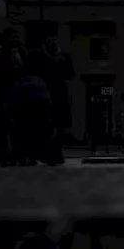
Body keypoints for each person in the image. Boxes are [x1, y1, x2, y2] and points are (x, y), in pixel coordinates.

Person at [27, 35, 74, 165]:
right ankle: (44, 152)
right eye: (49, 40)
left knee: (61, 126)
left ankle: (56, 152)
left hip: (59, 94)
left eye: (54, 40)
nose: (52, 42)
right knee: (45, 126)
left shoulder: (64, 56)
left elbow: (71, 74)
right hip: (43, 93)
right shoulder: (37, 56)